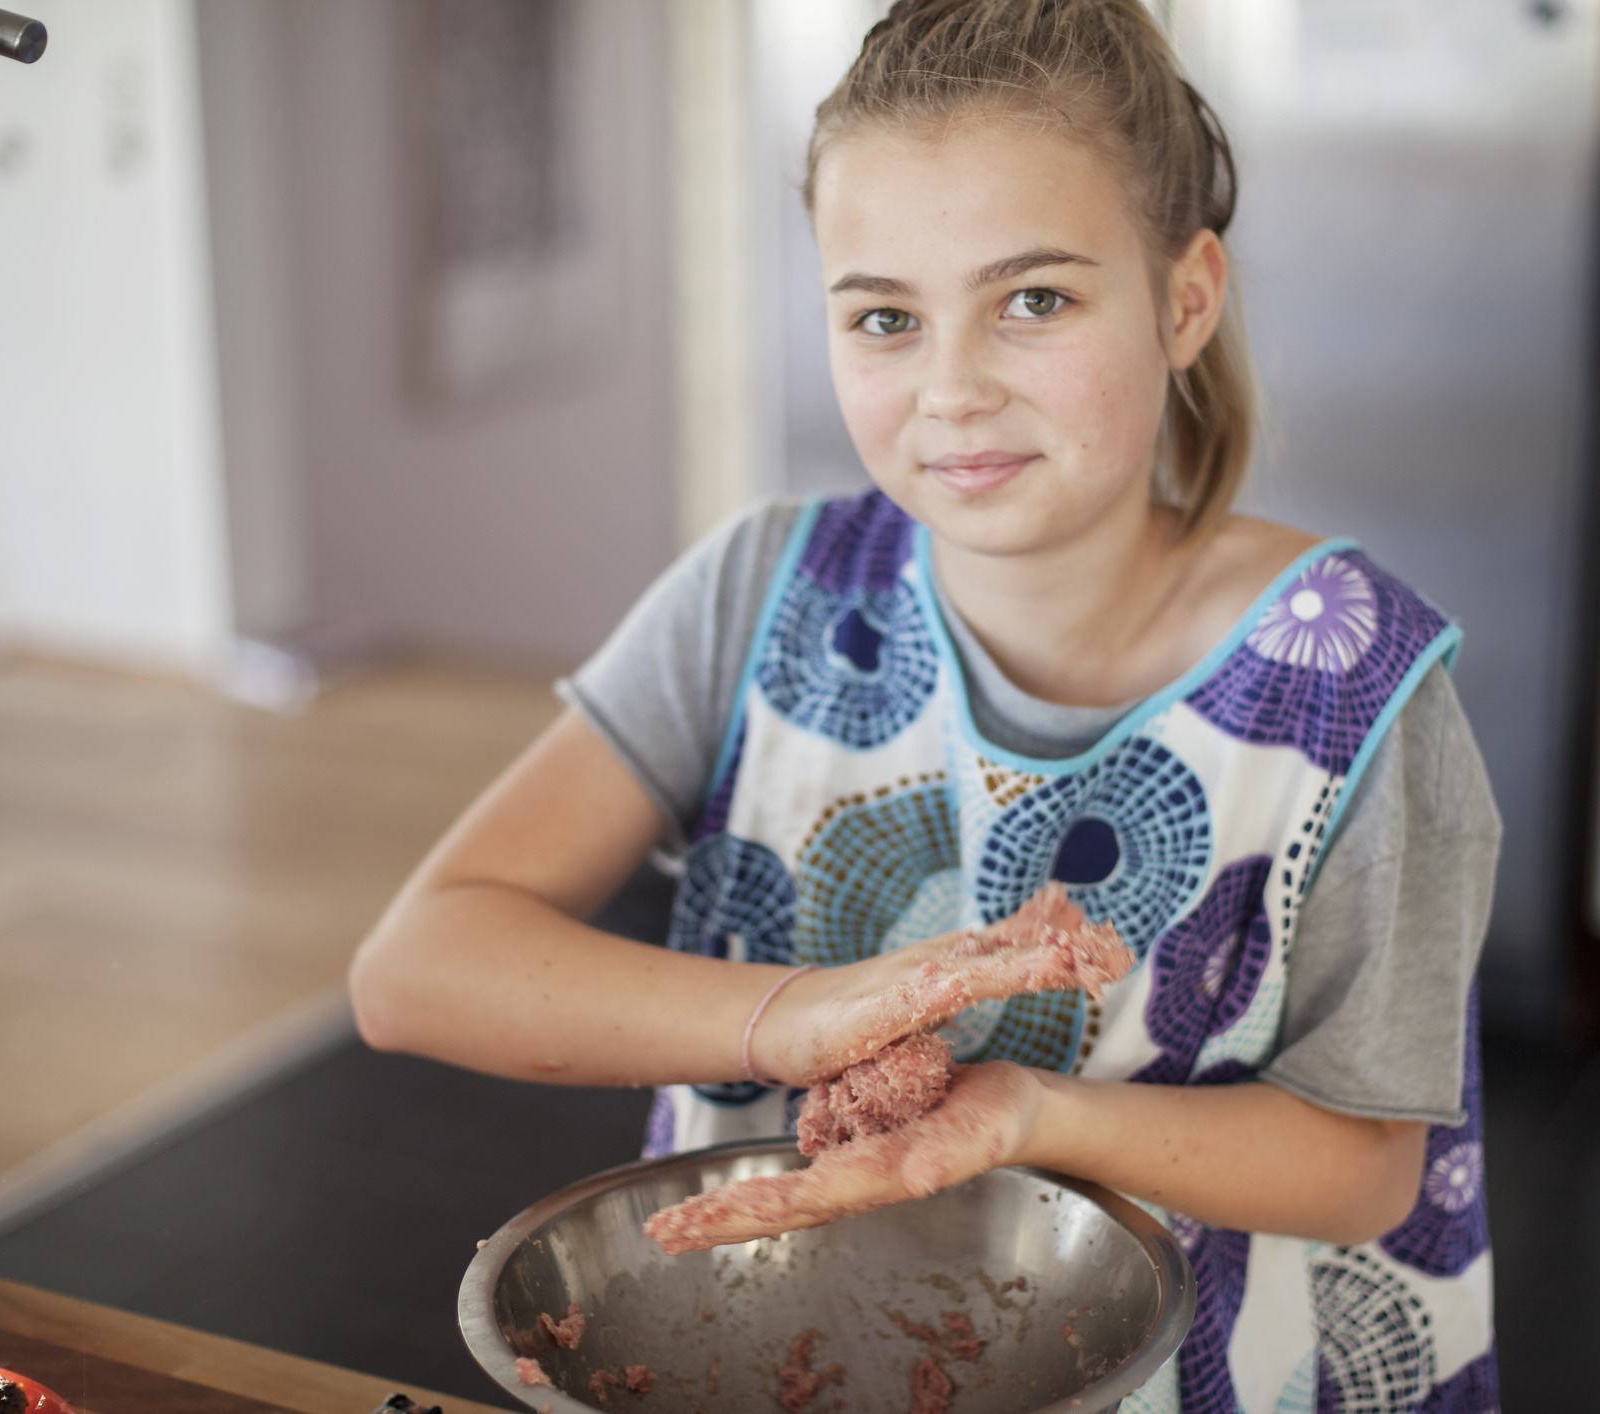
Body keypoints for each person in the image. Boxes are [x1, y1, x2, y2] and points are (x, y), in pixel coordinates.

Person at [349, 2, 1502, 1409]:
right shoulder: (753, 597)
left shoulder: (1357, 687)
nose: (949, 390)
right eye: (885, 317)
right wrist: (797, 1018)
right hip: (761, 1347)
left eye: (1033, 300)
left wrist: (1027, 1109)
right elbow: (412, 971)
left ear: (1183, 298)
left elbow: (1365, 1165)